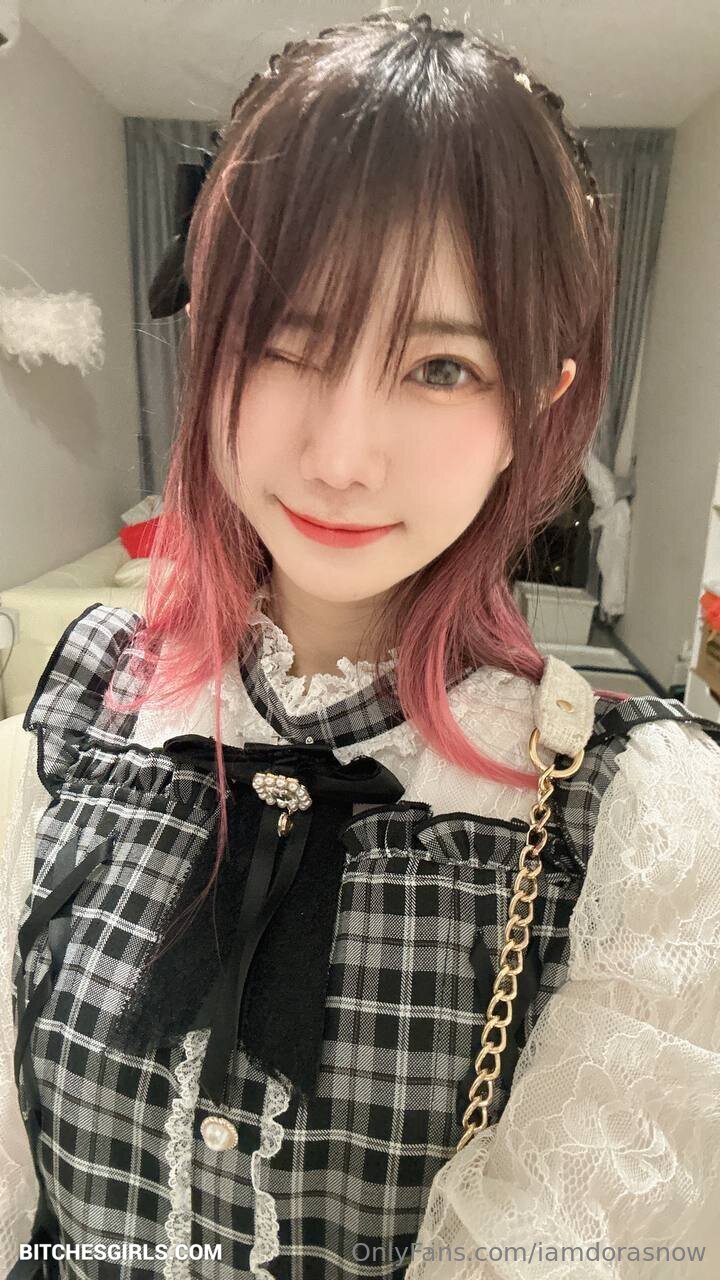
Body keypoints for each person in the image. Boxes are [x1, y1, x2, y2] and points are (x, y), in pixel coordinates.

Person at [2, 10, 719, 1279]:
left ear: (536, 401)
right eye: (285, 343)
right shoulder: (76, 717)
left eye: (440, 367)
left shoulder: (635, 826)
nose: (340, 455)